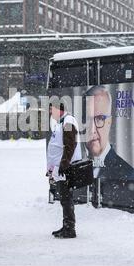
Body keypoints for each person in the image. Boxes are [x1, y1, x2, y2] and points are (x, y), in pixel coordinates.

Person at [84, 86, 134, 181]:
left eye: (100, 119)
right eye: (87, 119)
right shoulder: (71, 169)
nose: (92, 129)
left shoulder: (129, 176)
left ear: (109, 122)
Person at [46, 102, 82, 239]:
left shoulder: (68, 122)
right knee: (64, 198)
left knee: (66, 198)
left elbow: (69, 145)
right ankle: (66, 225)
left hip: (64, 168)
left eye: (52, 110)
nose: (51, 113)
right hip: (60, 168)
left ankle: (69, 228)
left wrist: (64, 164)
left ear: (59, 110)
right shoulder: (62, 122)